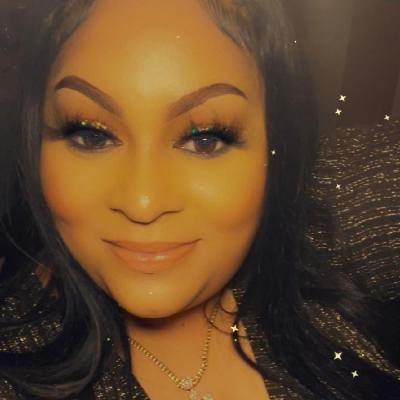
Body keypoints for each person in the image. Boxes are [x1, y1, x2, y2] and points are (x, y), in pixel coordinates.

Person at [0, 0, 399, 399]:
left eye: (205, 139)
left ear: (276, 145)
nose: (143, 203)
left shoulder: (326, 221)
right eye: (92, 135)